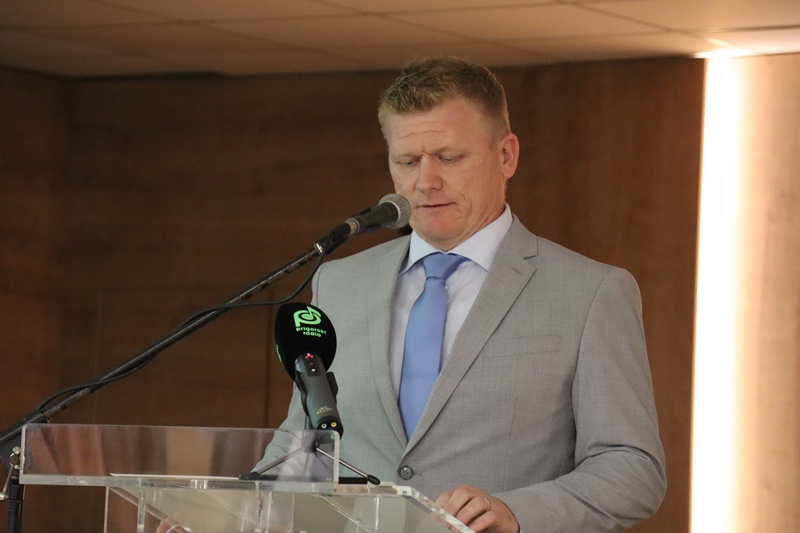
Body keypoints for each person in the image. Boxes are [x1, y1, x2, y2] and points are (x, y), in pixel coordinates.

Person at [263, 56, 666, 533]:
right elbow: (305, 442)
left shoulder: (591, 292)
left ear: (507, 156)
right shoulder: (338, 283)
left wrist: (517, 512)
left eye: (450, 158)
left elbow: (632, 469)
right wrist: (232, 511)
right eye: (407, 161)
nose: (425, 182)